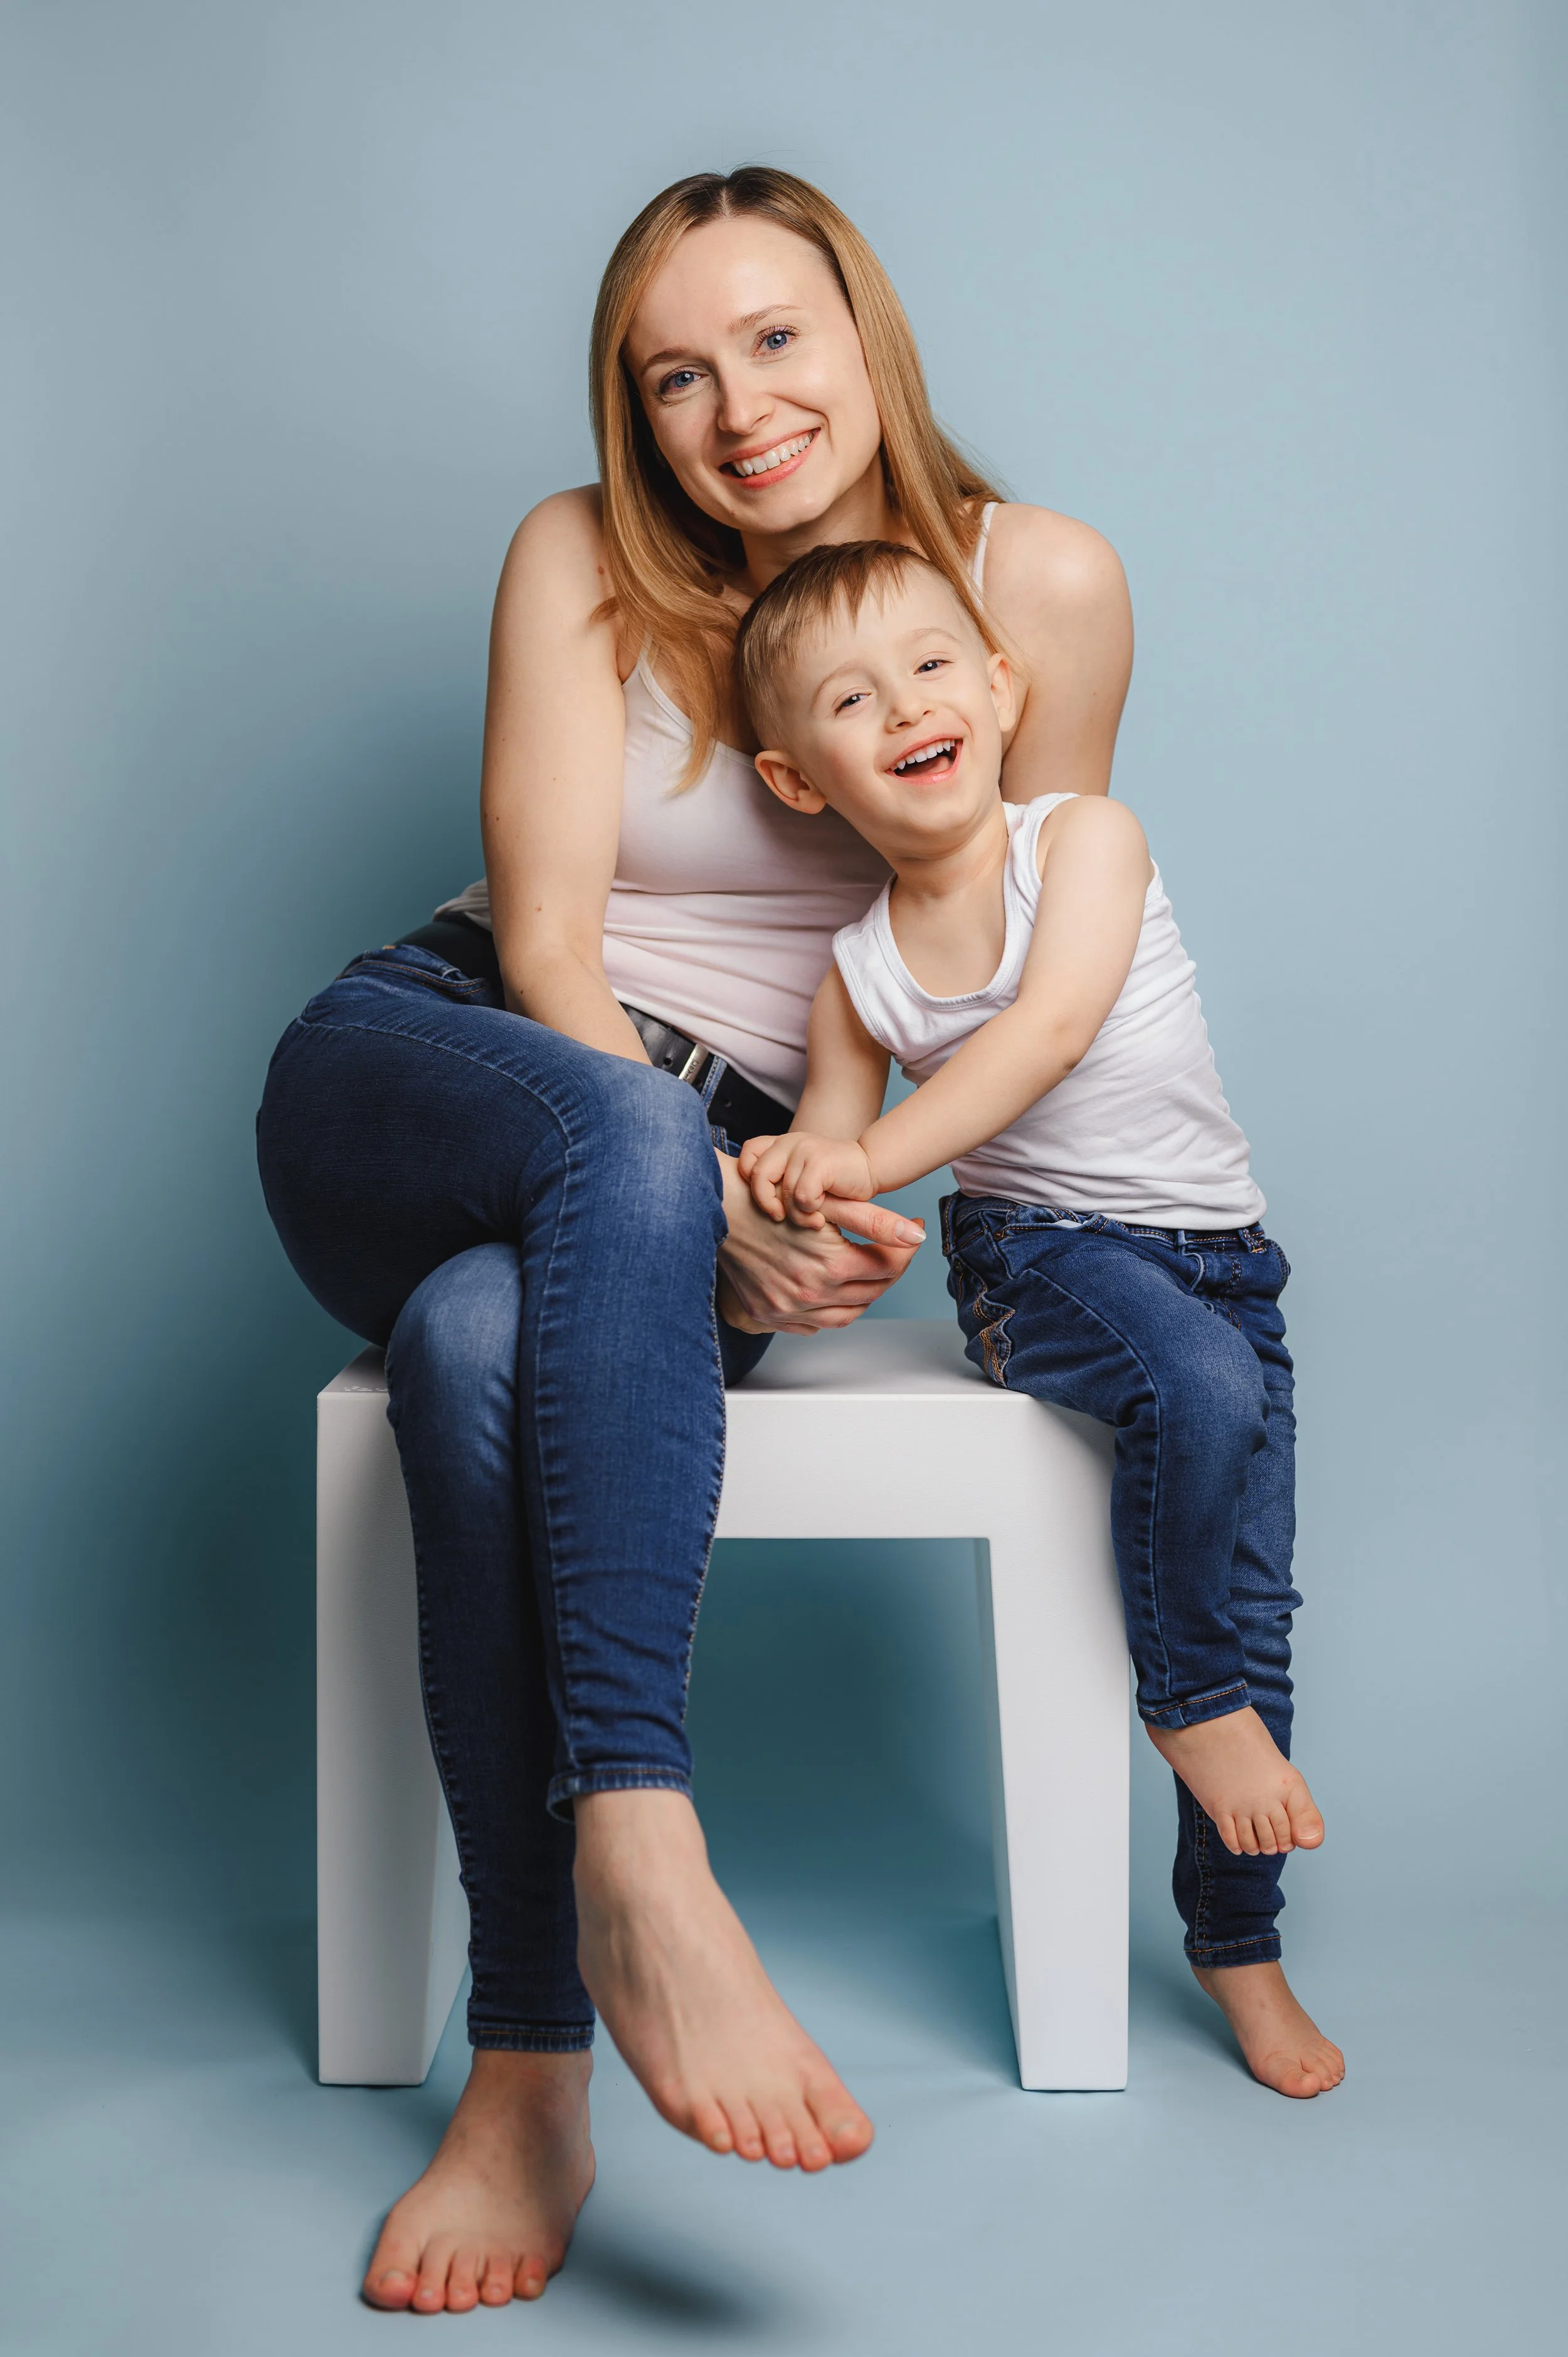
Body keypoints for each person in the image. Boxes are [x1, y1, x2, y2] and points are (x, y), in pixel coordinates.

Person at [256, 165, 1134, 2315]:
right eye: (675, 376)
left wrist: (836, 1203)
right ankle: (645, 1842)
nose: (737, 408)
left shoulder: (1042, 583)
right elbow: (549, 932)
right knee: (613, 1149)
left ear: (867, 331)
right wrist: (674, 1171)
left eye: (775, 339)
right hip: (447, 1053)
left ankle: (530, 2069)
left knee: (477, 1354)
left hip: (727, 1160)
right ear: (630, 412)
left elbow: (1021, 969)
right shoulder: (580, 559)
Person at [732, 538, 1345, 2100]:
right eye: (850, 701)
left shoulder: (1081, 841)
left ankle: (1235, 1944)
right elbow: (837, 1141)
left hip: (1221, 1253)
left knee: (1255, 1604)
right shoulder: (856, 970)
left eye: (934, 666)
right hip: (1036, 1261)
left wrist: (865, 1149)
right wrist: (813, 1180)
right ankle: (1186, 1705)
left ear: (1001, 689)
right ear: (798, 778)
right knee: (1194, 1393)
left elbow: (1052, 1028)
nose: (906, 708)